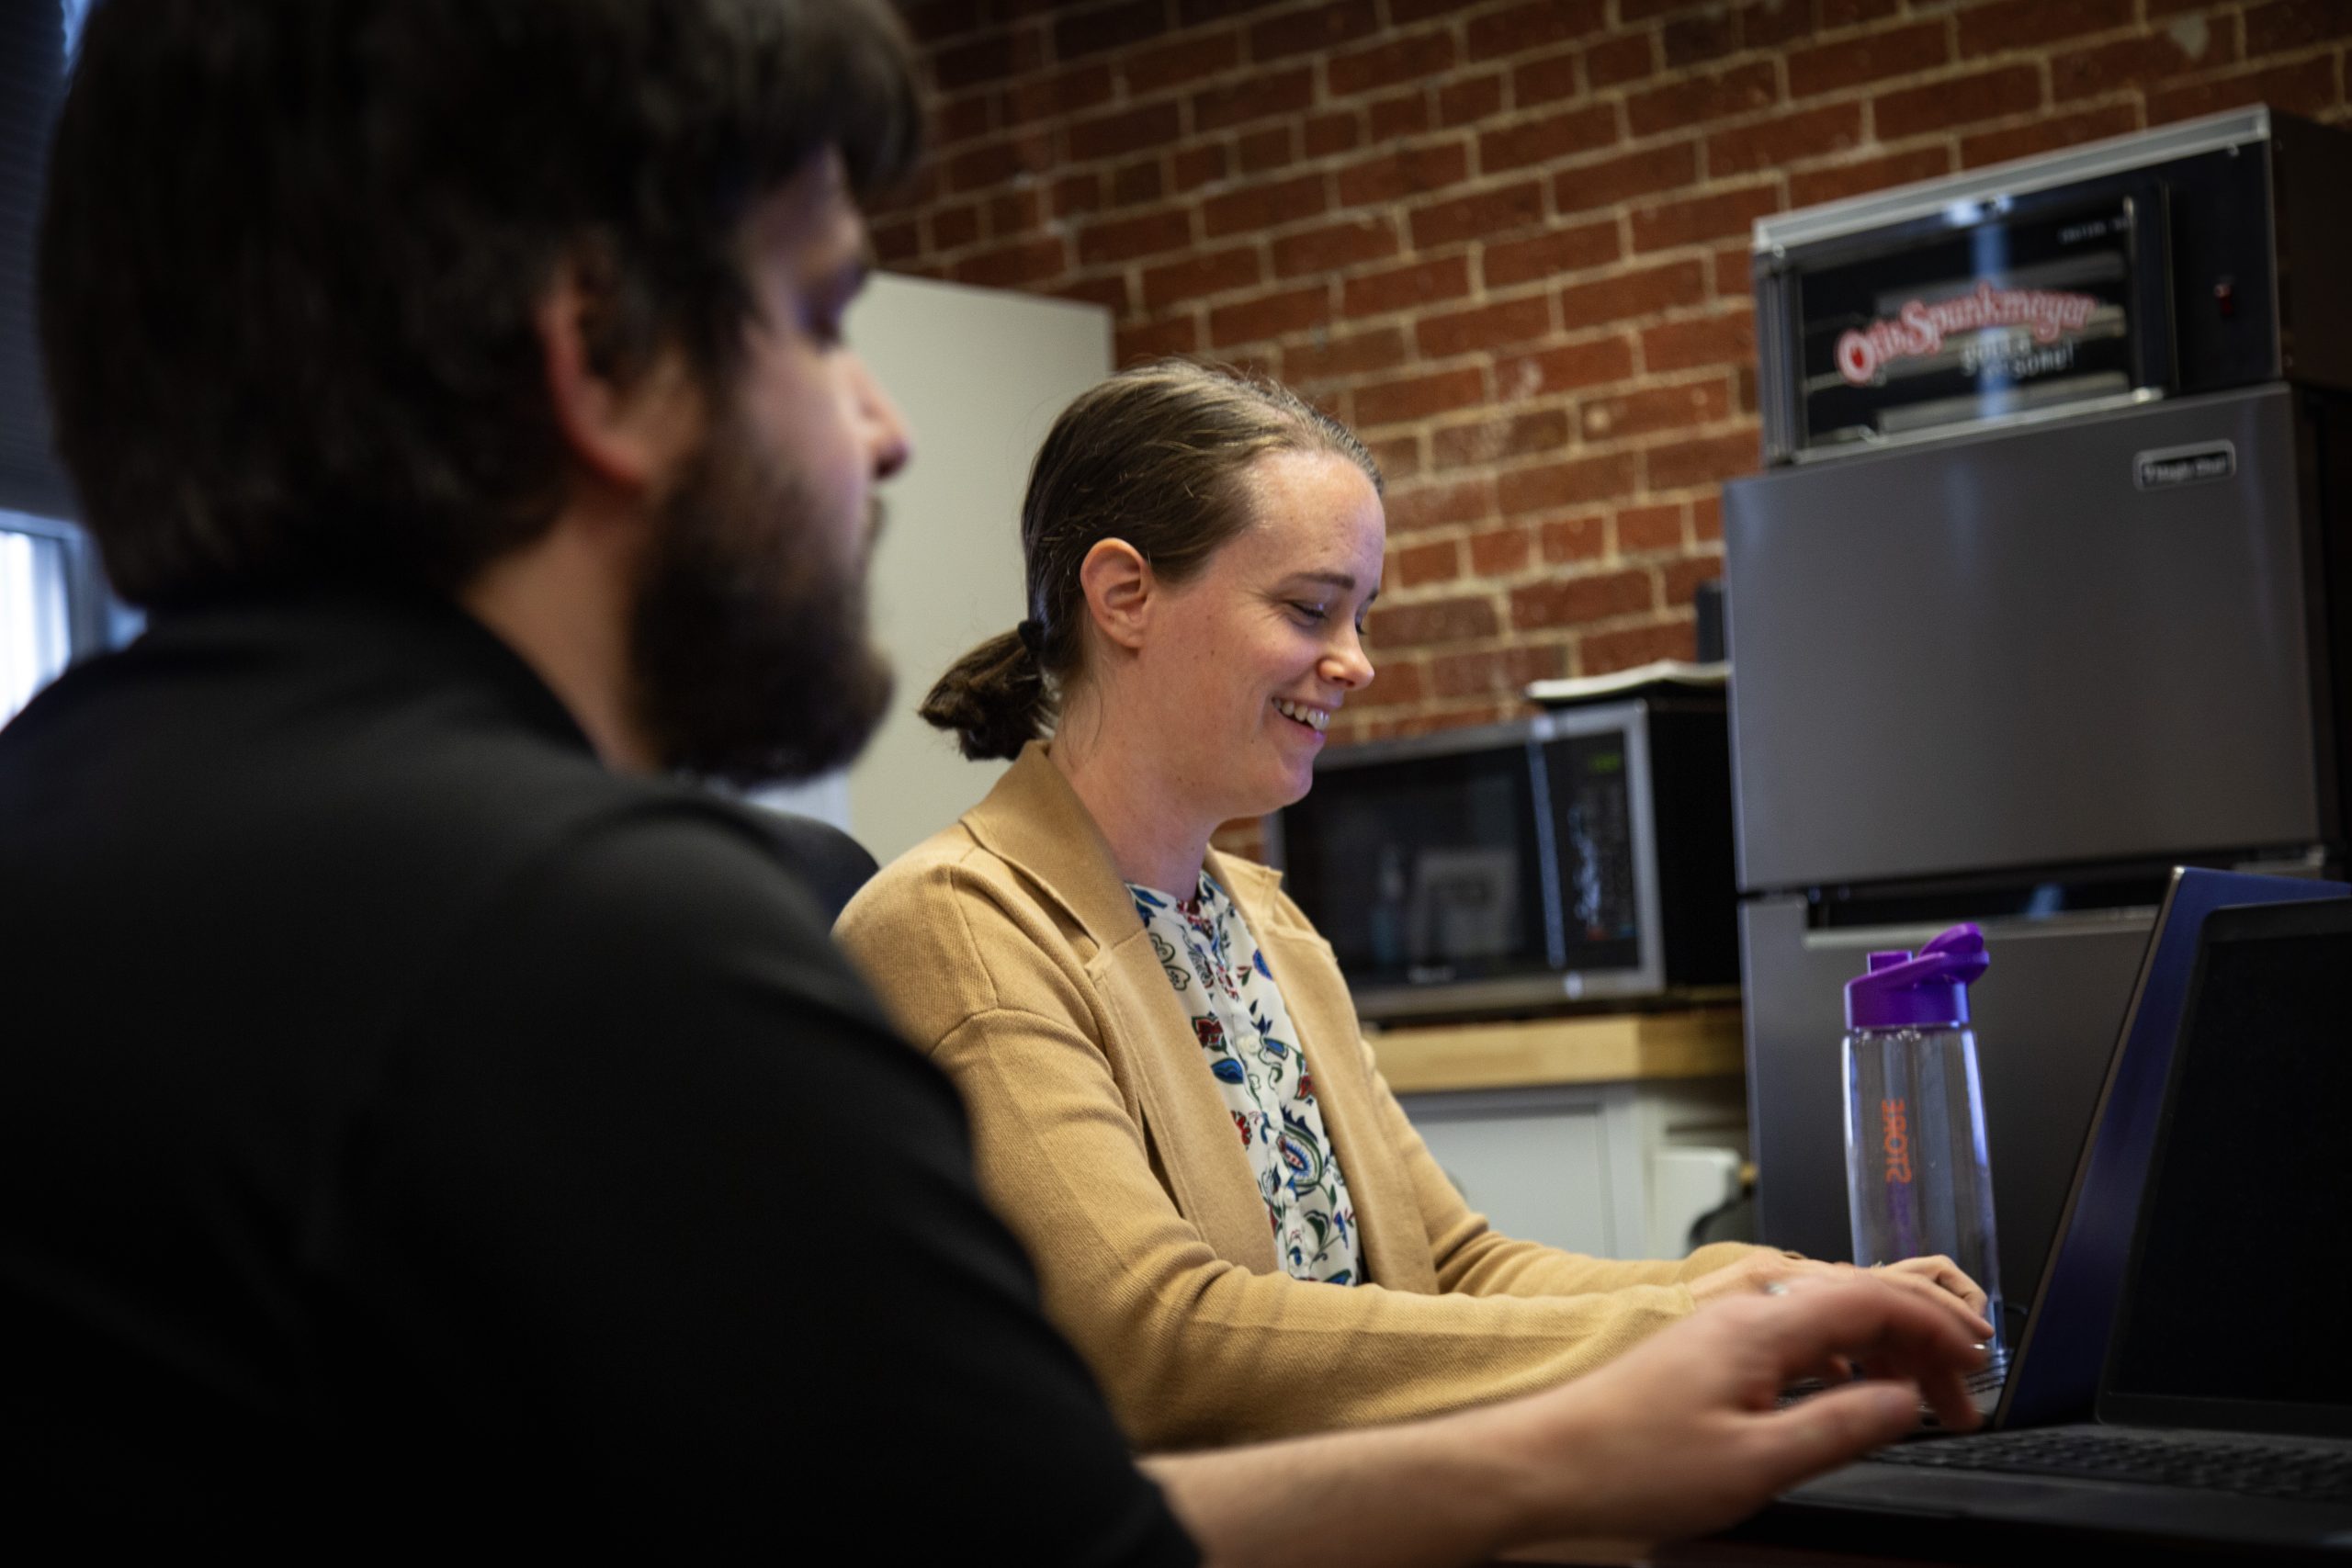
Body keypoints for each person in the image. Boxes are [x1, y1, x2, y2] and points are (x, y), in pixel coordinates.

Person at [1, 0, 1982, 1557]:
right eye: (818, 315)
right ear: (596, 362)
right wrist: (1602, 1413)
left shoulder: (68, 816)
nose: (876, 431)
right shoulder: (599, 936)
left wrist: (1685, 1320)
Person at [836, 361, 1994, 1450]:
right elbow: (1159, 1345)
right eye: (1307, 608)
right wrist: (1691, 1326)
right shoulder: (963, 926)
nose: (1355, 661)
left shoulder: (1267, 924)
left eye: (1361, 616)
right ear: (1124, 594)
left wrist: (1764, 1288)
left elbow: (1453, 1266)